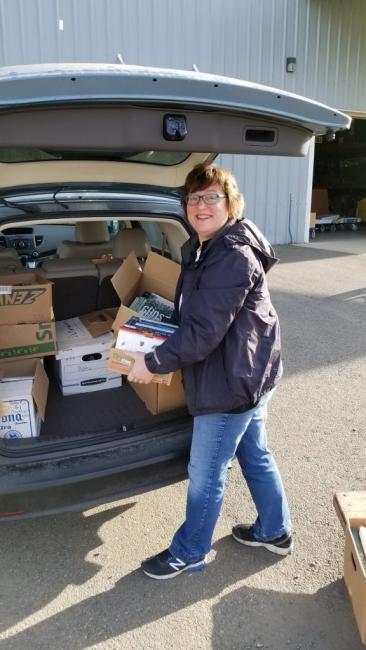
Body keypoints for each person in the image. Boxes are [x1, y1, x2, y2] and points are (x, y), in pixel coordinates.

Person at [127, 163, 292, 580]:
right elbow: (200, 313)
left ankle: (190, 551)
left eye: (211, 197)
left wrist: (153, 361)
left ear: (230, 202)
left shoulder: (231, 254)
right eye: (194, 198)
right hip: (250, 372)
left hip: (231, 381)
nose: (201, 206)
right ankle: (276, 531)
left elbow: (202, 332)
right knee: (254, 452)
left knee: (206, 471)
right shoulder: (207, 245)